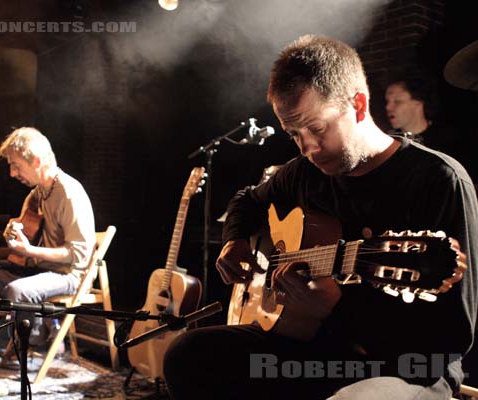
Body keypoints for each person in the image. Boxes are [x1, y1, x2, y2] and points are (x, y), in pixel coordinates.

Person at [163, 35, 477, 399]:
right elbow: (247, 200)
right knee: (188, 355)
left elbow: (451, 337)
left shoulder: (437, 180)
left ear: (358, 105)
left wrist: (340, 305)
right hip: (315, 347)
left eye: (317, 128)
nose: (307, 148)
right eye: (293, 133)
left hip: (406, 366)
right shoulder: (303, 172)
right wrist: (234, 240)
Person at [0, 127, 95, 374]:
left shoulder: (69, 193)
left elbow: (79, 255)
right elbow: (25, 227)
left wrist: (31, 250)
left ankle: (32, 344)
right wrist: (12, 232)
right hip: (38, 269)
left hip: (68, 275)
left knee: (17, 290)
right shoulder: (37, 194)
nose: (12, 173)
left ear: (36, 161)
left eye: (16, 165)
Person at [384, 77, 459, 156]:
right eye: (387, 101)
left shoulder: (447, 139)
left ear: (418, 101)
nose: (388, 107)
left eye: (398, 101)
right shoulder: (389, 142)